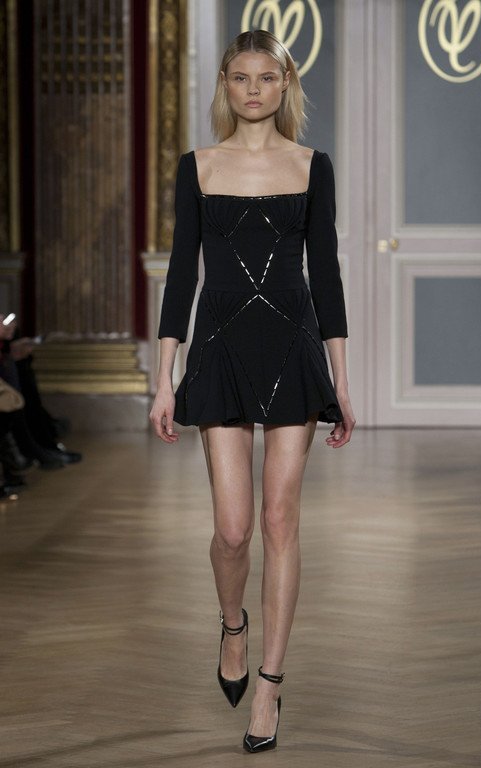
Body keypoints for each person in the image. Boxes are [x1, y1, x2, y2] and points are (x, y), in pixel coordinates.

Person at [150, 29, 356, 754]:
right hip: (220, 350)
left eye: (267, 77)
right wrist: (163, 378)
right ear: (226, 86)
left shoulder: (311, 165)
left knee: (278, 520)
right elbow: (182, 274)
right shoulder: (199, 166)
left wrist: (341, 379)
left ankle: (269, 684)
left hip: (292, 349)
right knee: (233, 530)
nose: (254, 90)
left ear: (285, 83)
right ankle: (232, 625)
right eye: (241, 78)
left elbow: (326, 273)